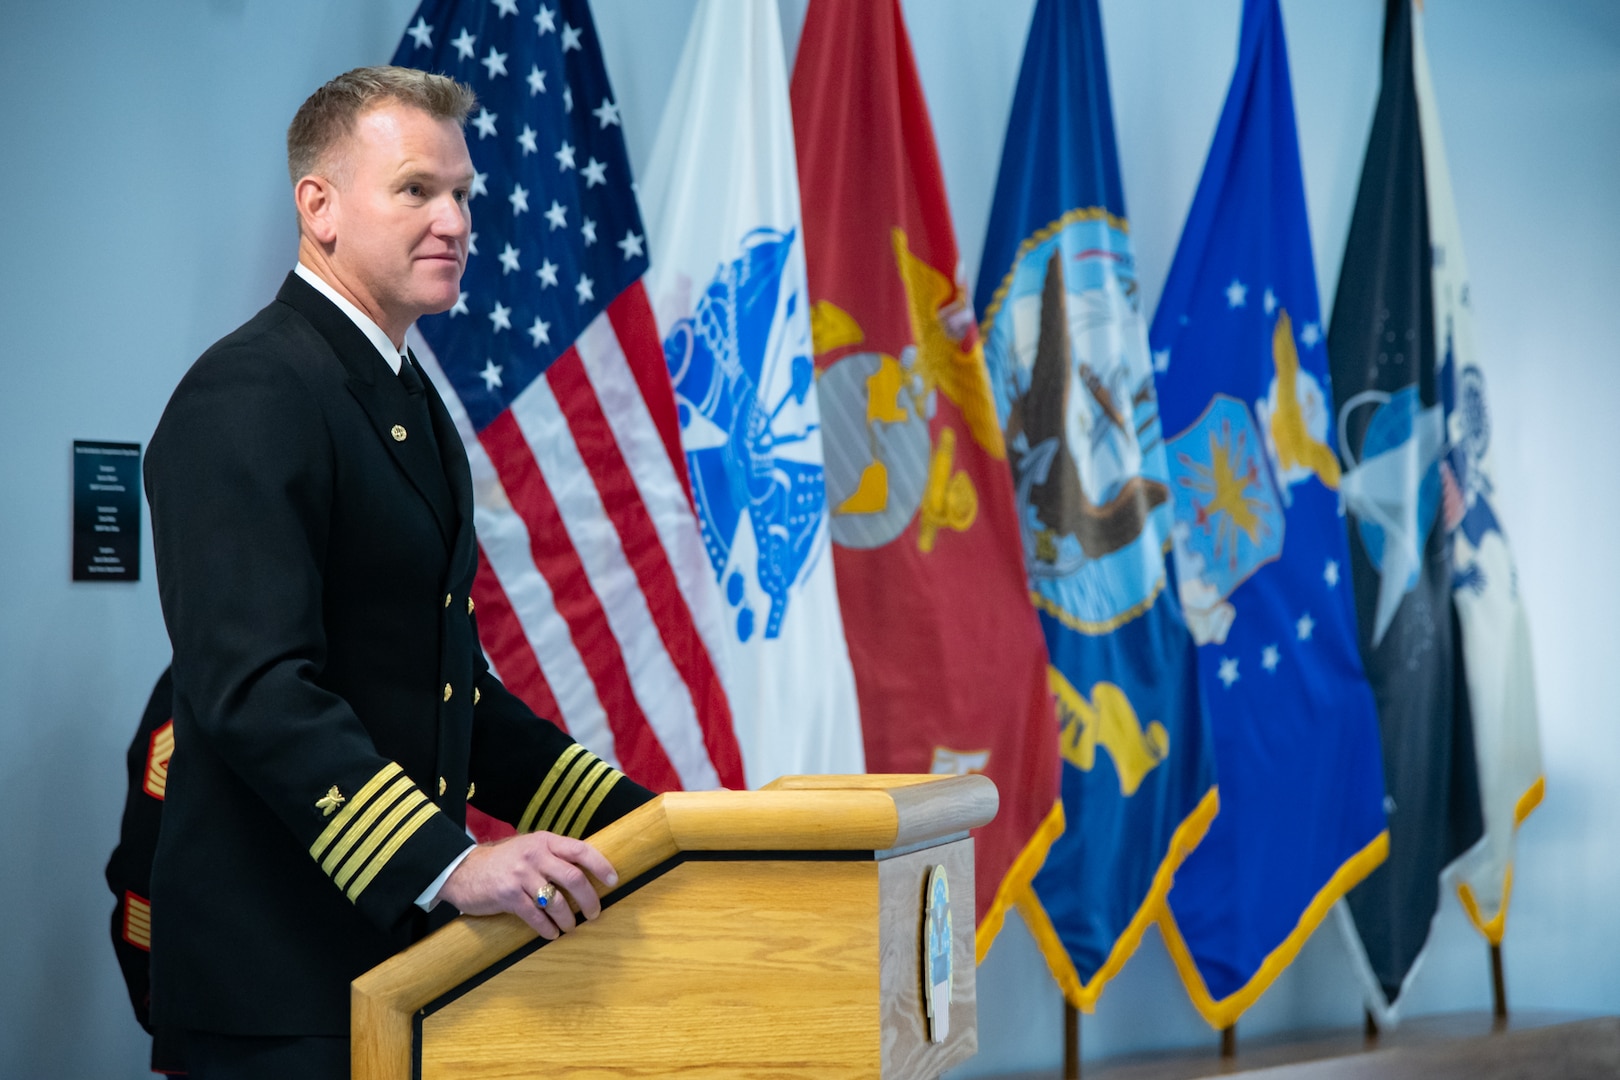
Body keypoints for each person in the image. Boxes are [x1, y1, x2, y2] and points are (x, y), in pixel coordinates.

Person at [142, 66, 653, 1079]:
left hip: (388, 967)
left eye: (463, 194)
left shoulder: (402, 400)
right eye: (416, 190)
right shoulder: (250, 392)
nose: (454, 220)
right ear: (318, 207)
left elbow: (448, 686)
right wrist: (449, 863)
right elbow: (256, 691)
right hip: (279, 985)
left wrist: (643, 821)